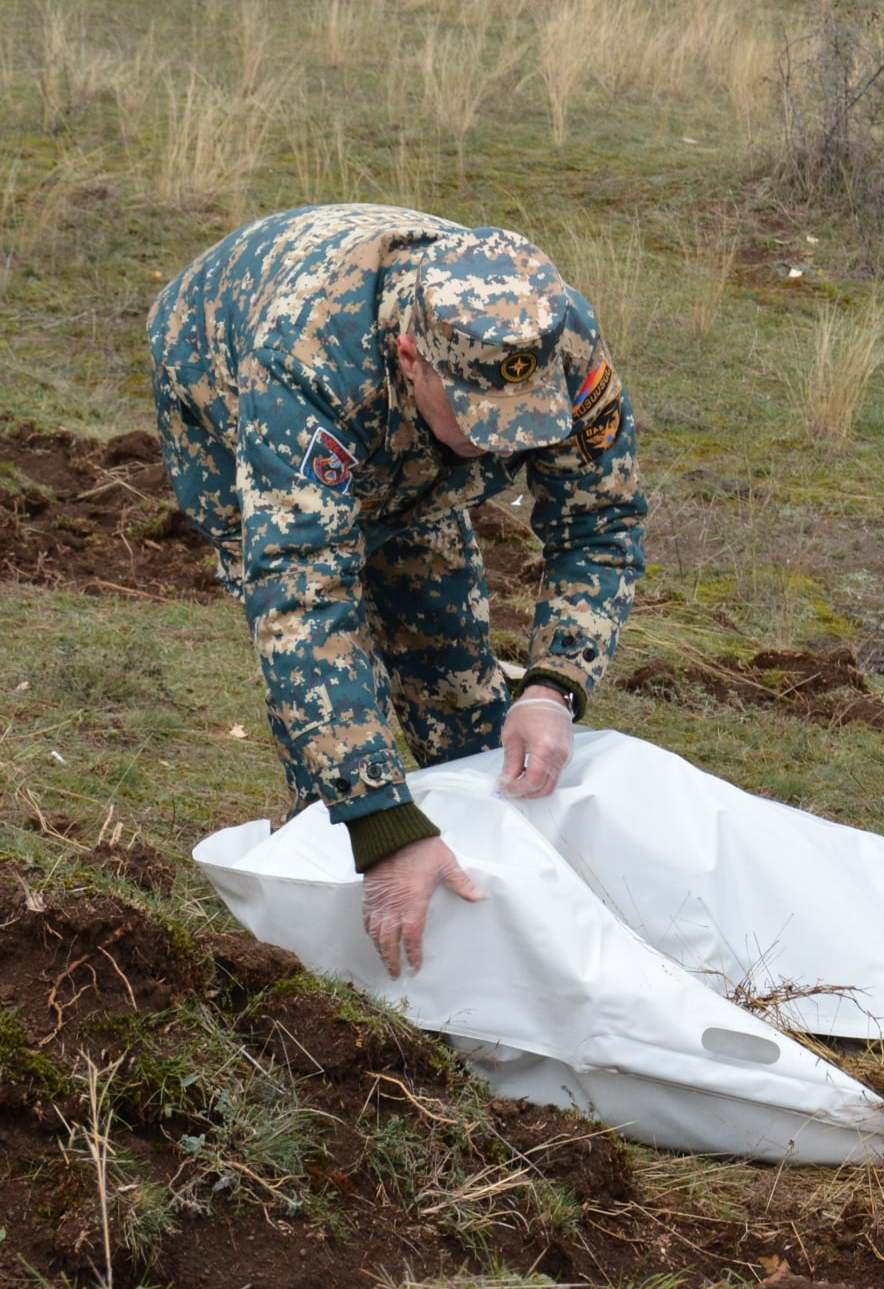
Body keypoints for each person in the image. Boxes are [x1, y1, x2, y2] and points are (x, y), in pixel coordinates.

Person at [149, 204, 646, 980]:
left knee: (460, 688)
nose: (504, 442)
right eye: (482, 418)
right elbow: (303, 599)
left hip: (399, 436)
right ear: (413, 357)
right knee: (337, 755)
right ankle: (331, 937)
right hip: (218, 370)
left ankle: (495, 922)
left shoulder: (555, 339)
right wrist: (381, 822)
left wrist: (554, 685)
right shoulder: (305, 364)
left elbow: (601, 524)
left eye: (524, 421)